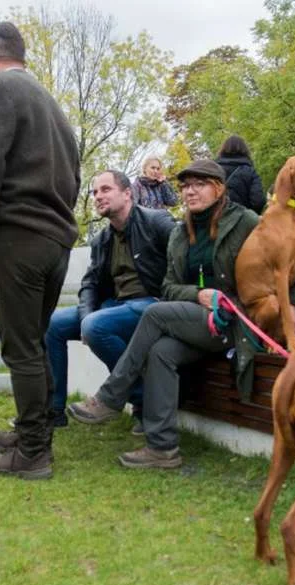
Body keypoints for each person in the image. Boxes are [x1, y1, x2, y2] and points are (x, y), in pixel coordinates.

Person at [68, 159, 259, 470]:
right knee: (160, 351)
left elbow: (273, 268)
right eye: (185, 186)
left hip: (235, 322)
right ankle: (163, 448)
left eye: (199, 184)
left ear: (219, 188)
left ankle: (110, 397)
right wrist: (197, 294)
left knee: (154, 314)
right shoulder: (182, 232)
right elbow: (168, 286)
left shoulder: (246, 222)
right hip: (196, 318)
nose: (189, 191)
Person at [0, 22, 81, 479]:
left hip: (15, 238)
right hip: (54, 239)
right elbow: (74, 174)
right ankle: (37, 429)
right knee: (34, 342)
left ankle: (32, 452)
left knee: (22, 349)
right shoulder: (50, 102)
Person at [36, 170, 173, 435]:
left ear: (127, 193)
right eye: (95, 192)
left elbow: (182, 261)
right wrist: (86, 315)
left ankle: (143, 403)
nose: (98, 196)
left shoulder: (157, 222)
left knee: (97, 327)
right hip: (116, 306)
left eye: (105, 189)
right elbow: (89, 284)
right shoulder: (103, 239)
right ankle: (53, 411)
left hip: (153, 303)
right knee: (53, 325)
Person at [216, 134, 266, 214]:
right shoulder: (250, 171)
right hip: (242, 220)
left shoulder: (213, 170)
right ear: (245, 150)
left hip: (216, 219)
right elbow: (258, 202)